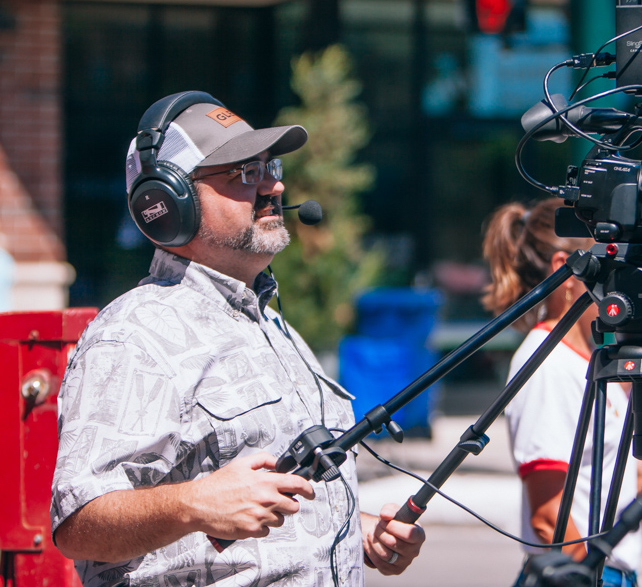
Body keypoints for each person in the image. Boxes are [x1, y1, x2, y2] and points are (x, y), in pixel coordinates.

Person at [50, 91, 425, 587]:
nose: (275, 184)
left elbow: (260, 514)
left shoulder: (272, 327)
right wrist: (193, 503)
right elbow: (78, 525)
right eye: (243, 173)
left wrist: (354, 534)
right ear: (166, 203)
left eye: (268, 166)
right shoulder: (134, 337)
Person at [481, 198, 642, 587]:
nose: (624, 277)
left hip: (610, 572)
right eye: (612, 263)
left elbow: (613, 477)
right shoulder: (548, 364)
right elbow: (549, 515)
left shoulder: (594, 361)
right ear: (568, 270)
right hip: (584, 575)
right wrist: (589, 577)